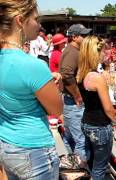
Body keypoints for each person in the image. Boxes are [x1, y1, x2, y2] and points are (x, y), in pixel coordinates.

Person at [0, 0, 63, 179]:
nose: (39, 24)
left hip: (7, 146)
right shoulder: (33, 65)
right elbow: (56, 110)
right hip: (35, 150)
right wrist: (53, 86)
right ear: (20, 21)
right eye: (36, 19)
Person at [76, 36, 116, 179]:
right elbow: (108, 108)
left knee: (92, 161)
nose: (105, 54)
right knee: (100, 167)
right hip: (100, 126)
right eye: (103, 52)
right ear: (95, 53)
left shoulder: (80, 74)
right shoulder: (97, 78)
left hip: (86, 122)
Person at [59, 23, 91, 165]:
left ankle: (73, 167)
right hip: (73, 102)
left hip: (69, 102)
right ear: (74, 37)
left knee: (70, 138)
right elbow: (66, 75)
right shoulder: (72, 51)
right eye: (82, 35)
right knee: (81, 141)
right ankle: (81, 171)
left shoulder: (72, 50)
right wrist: (77, 95)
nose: (85, 37)